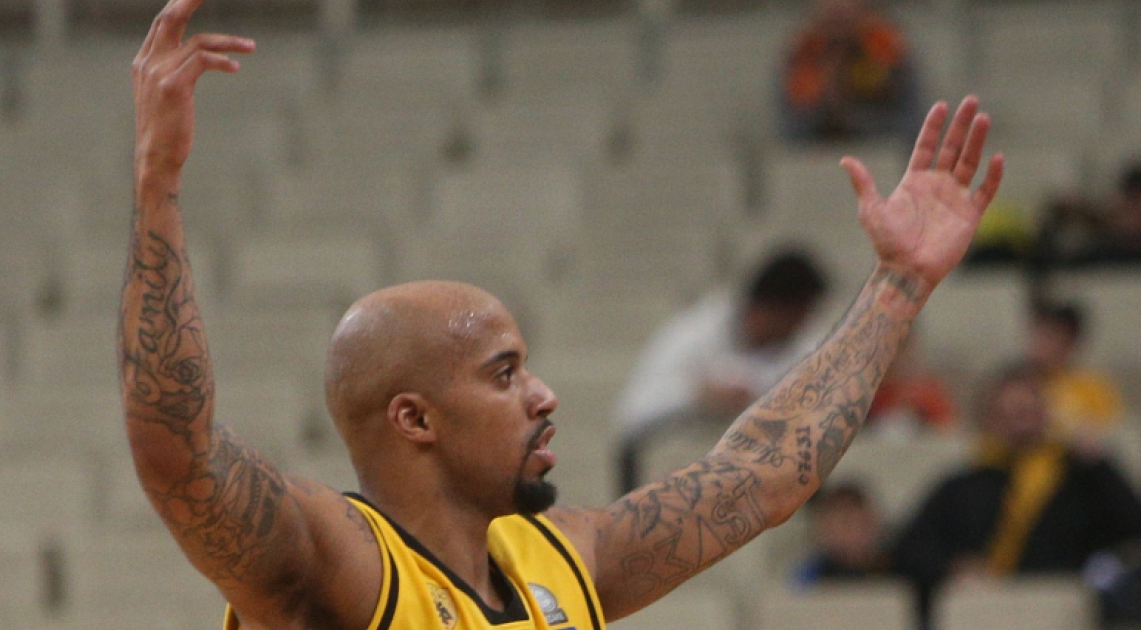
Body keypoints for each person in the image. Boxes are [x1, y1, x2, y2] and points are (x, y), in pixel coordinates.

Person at [120, 1, 1003, 628]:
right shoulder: (342, 565)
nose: (543, 395)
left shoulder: (565, 559)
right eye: (504, 374)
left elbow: (760, 476)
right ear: (414, 418)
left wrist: (897, 286)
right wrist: (158, 186)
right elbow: (176, 452)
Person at [892, 362, 1141, 629]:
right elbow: (907, 549)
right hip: (982, 614)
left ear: (1047, 413)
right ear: (989, 420)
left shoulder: (1080, 480)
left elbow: (1131, 526)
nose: (1019, 423)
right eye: (1007, 414)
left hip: (1058, 613)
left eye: (1026, 412)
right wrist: (953, 566)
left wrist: (1098, 464)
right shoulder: (964, 485)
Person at [614, 250, 830, 495]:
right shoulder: (691, 334)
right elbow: (631, 415)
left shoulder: (806, 346)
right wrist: (700, 396)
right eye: (795, 319)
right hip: (677, 469)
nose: (799, 328)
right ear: (771, 309)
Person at [779, 0, 920, 143]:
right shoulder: (803, 52)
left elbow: (907, 125)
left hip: (878, 149)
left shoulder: (887, 49)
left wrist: (851, 115)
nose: (839, 6)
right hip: (815, 153)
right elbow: (791, 130)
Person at [1026, 300, 1124, 446]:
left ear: (1071, 342)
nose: (1040, 343)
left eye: (1051, 336)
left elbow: (1104, 438)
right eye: (1038, 335)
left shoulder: (1095, 389)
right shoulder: (1016, 385)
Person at [792, 482, 891, 588]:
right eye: (844, 524)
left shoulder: (893, 565)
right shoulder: (812, 573)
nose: (852, 534)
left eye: (859, 524)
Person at [865, 330, 955, 439]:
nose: (890, 357)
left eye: (898, 347)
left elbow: (948, 434)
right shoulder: (860, 396)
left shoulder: (927, 395)